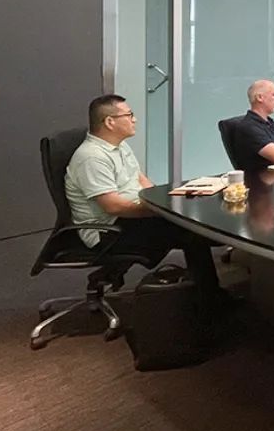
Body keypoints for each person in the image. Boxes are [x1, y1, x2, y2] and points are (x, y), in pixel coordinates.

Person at [65, 95, 220, 302]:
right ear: (110, 122)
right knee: (189, 230)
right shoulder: (92, 157)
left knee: (185, 222)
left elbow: (140, 178)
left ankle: (205, 291)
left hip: (129, 217)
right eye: (129, 115)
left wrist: (164, 201)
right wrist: (160, 211)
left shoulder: (119, 146)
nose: (134, 119)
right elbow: (113, 206)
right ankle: (211, 300)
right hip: (108, 231)